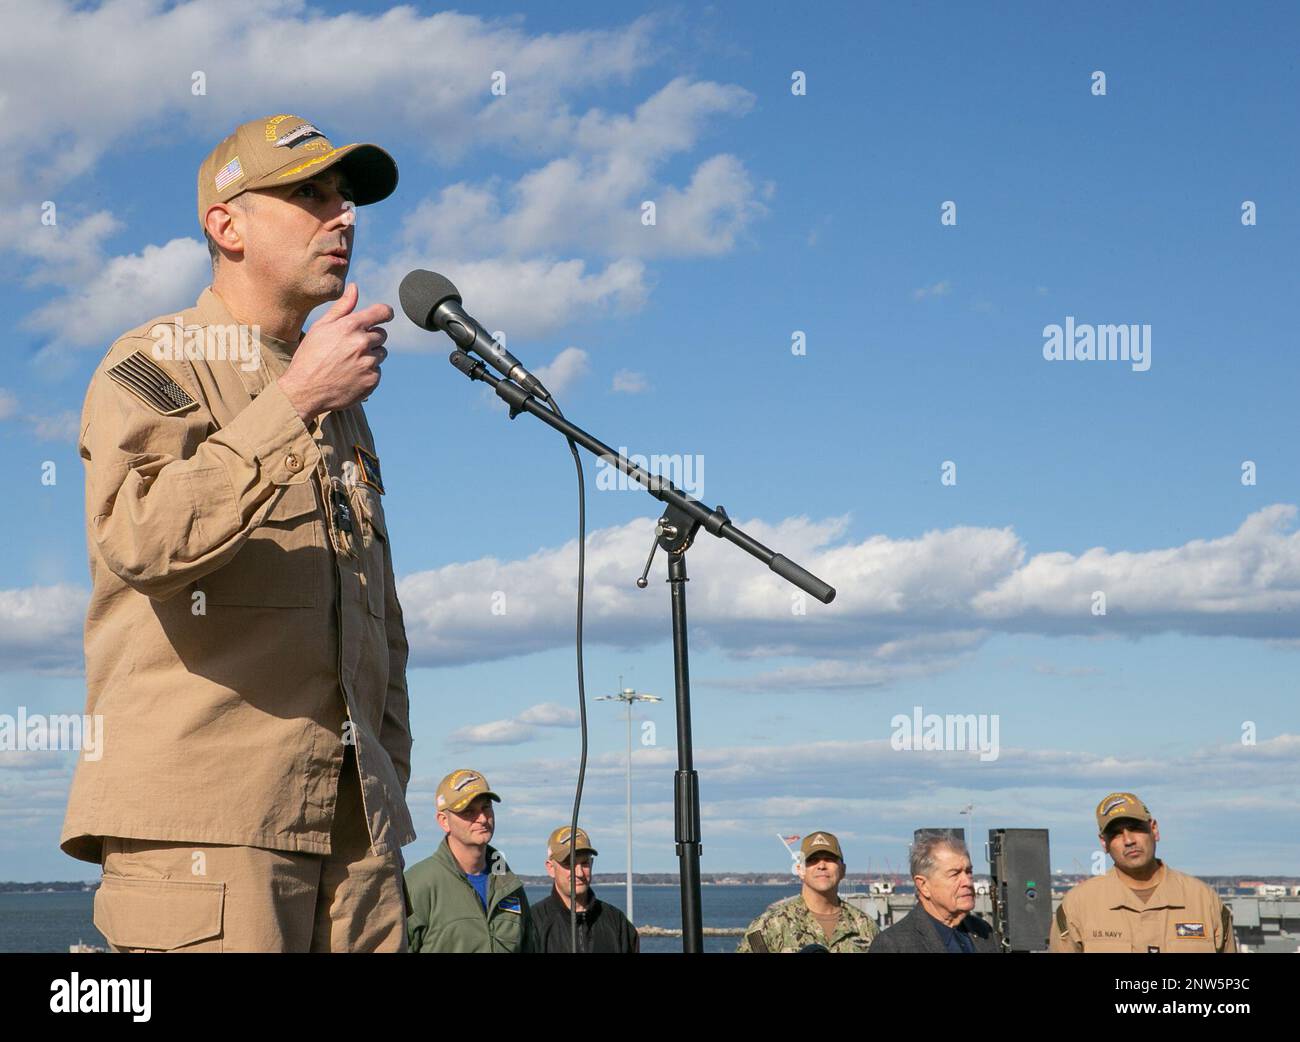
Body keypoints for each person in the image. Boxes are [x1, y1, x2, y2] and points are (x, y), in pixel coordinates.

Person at [61, 114, 413, 952]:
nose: (345, 218)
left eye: (349, 199)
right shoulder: (156, 361)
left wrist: (389, 774)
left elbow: (378, 619)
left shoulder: (339, 403)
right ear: (226, 225)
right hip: (211, 828)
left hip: (355, 832)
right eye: (310, 194)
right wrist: (290, 405)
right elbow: (141, 540)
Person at [1050, 792, 1235, 953]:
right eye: (1116, 833)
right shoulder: (1079, 906)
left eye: (1136, 828)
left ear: (1154, 830)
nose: (1129, 840)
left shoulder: (1203, 901)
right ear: (1103, 843)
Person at [405, 770, 534, 952]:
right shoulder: (416, 885)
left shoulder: (509, 885)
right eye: (469, 811)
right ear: (444, 821)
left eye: (486, 807)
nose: (482, 818)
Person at [737, 832, 879, 953]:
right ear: (800, 870)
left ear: (843, 870)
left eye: (829, 859)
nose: (822, 866)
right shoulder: (770, 926)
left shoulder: (865, 926)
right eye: (813, 860)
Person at [869, 832, 999, 953]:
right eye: (955, 874)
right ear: (923, 885)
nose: (968, 882)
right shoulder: (893, 945)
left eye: (968, 872)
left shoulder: (983, 931)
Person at [528, 826, 639, 953]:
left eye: (585, 863)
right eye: (569, 864)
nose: (579, 873)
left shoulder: (616, 922)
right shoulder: (533, 923)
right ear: (551, 868)